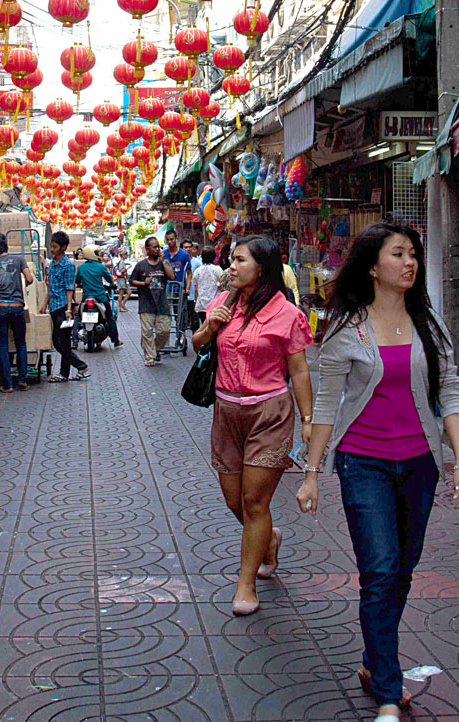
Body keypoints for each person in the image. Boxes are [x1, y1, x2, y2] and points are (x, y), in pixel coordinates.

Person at [297, 223, 459, 722]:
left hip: (420, 464)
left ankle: (376, 663)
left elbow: (450, 393)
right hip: (363, 463)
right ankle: (390, 695)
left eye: (414, 254)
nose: (411, 262)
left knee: (402, 571)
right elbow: (327, 404)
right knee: (378, 571)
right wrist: (312, 470)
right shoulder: (345, 328)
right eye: (399, 253)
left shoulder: (429, 326)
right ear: (374, 266)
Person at [191, 236, 314, 617]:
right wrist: (209, 327)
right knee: (233, 499)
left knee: (254, 501)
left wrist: (309, 421)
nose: (231, 266)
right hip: (226, 412)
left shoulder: (286, 313)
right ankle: (268, 541)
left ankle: (245, 585)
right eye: (231, 259)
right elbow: (197, 345)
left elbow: (299, 370)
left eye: (239, 260)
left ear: (261, 268)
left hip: (269, 413)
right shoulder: (222, 302)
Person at [0, 233, 35, 392]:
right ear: (6, 245)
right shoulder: (19, 259)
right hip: (17, 306)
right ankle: (22, 380)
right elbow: (29, 279)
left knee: (2, 346)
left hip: (0, 308)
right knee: (21, 343)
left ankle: (7, 385)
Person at [46, 231, 90, 382]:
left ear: (63, 248)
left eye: (54, 247)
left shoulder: (68, 265)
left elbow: (69, 288)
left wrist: (69, 309)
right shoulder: (52, 263)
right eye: (51, 246)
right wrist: (44, 305)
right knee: (58, 341)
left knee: (61, 341)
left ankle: (74, 368)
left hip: (63, 307)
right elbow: (49, 285)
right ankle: (74, 368)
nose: (52, 249)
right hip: (53, 306)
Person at [131, 236, 175, 366]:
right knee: (147, 332)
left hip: (162, 303)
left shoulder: (163, 263)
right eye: (155, 247)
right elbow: (132, 281)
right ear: (147, 249)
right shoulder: (141, 265)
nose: (158, 249)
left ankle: (155, 349)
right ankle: (150, 357)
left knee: (164, 331)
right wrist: (143, 283)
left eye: (159, 247)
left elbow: (172, 276)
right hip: (146, 304)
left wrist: (164, 262)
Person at [75, 245, 121, 348]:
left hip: (86, 296)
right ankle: (115, 340)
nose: (99, 255)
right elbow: (109, 279)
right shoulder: (101, 267)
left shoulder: (81, 267)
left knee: (78, 317)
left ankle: (74, 340)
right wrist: (113, 285)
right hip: (100, 297)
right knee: (110, 317)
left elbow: (77, 281)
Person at [192, 247, 224, 324]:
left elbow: (196, 289)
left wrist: (195, 301)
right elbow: (222, 285)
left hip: (201, 305)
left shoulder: (198, 271)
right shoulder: (218, 270)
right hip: (215, 304)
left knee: (204, 324)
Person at [113, 246, 133, 312]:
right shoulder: (121, 262)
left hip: (123, 279)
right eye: (126, 255)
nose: (126, 256)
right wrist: (128, 268)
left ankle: (123, 305)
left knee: (128, 292)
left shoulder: (122, 262)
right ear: (123, 255)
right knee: (121, 293)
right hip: (121, 279)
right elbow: (122, 270)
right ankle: (121, 307)